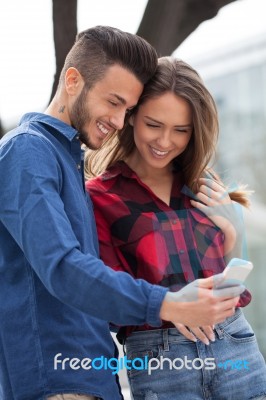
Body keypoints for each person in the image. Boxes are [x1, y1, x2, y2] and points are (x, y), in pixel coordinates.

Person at [0, 27, 243, 400]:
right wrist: (169, 303)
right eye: (113, 102)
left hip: (93, 378)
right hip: (59, 382)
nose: (117, 120)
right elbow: (62, 267)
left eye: (127, 109)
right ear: (72, 80)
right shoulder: (28, 150)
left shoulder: (66, 160)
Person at [86, 57, 266, 399]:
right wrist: (170, 303)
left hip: (234, 343)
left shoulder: (203, 184)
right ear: (132, 116)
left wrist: (234, 233)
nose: (165, 141)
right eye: (154, 124)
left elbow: (237, 289)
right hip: (162, 360)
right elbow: (107, 296)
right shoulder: (100, 197)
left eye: (181, 130)